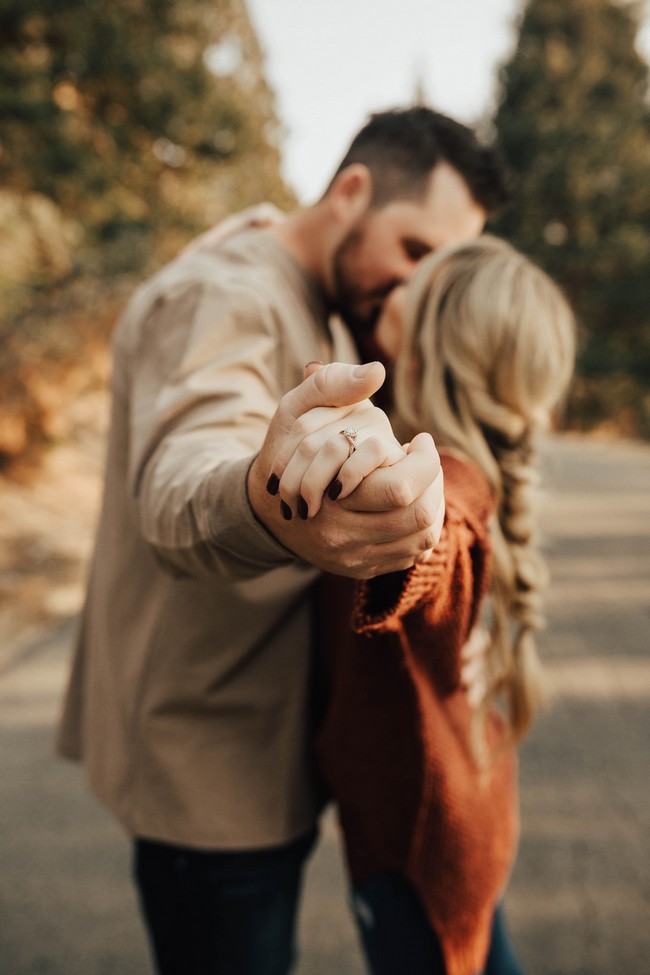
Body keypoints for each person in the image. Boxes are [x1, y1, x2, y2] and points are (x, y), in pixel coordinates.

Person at [55, 107, 509, 975]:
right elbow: (181, 477)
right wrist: (268, 501)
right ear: (351, 192)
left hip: (273, 751)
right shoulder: (226, 294)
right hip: (213, 783)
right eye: (414, 251)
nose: (414, 290)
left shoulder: (320, 299)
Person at [270, 235, 576, 975]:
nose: (397, 283)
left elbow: (440, 535)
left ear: (438, 336)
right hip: (459, 819)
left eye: (420, 278)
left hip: (419, 854)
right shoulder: (474, 461)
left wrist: (413, 524)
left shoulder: (451, 481)